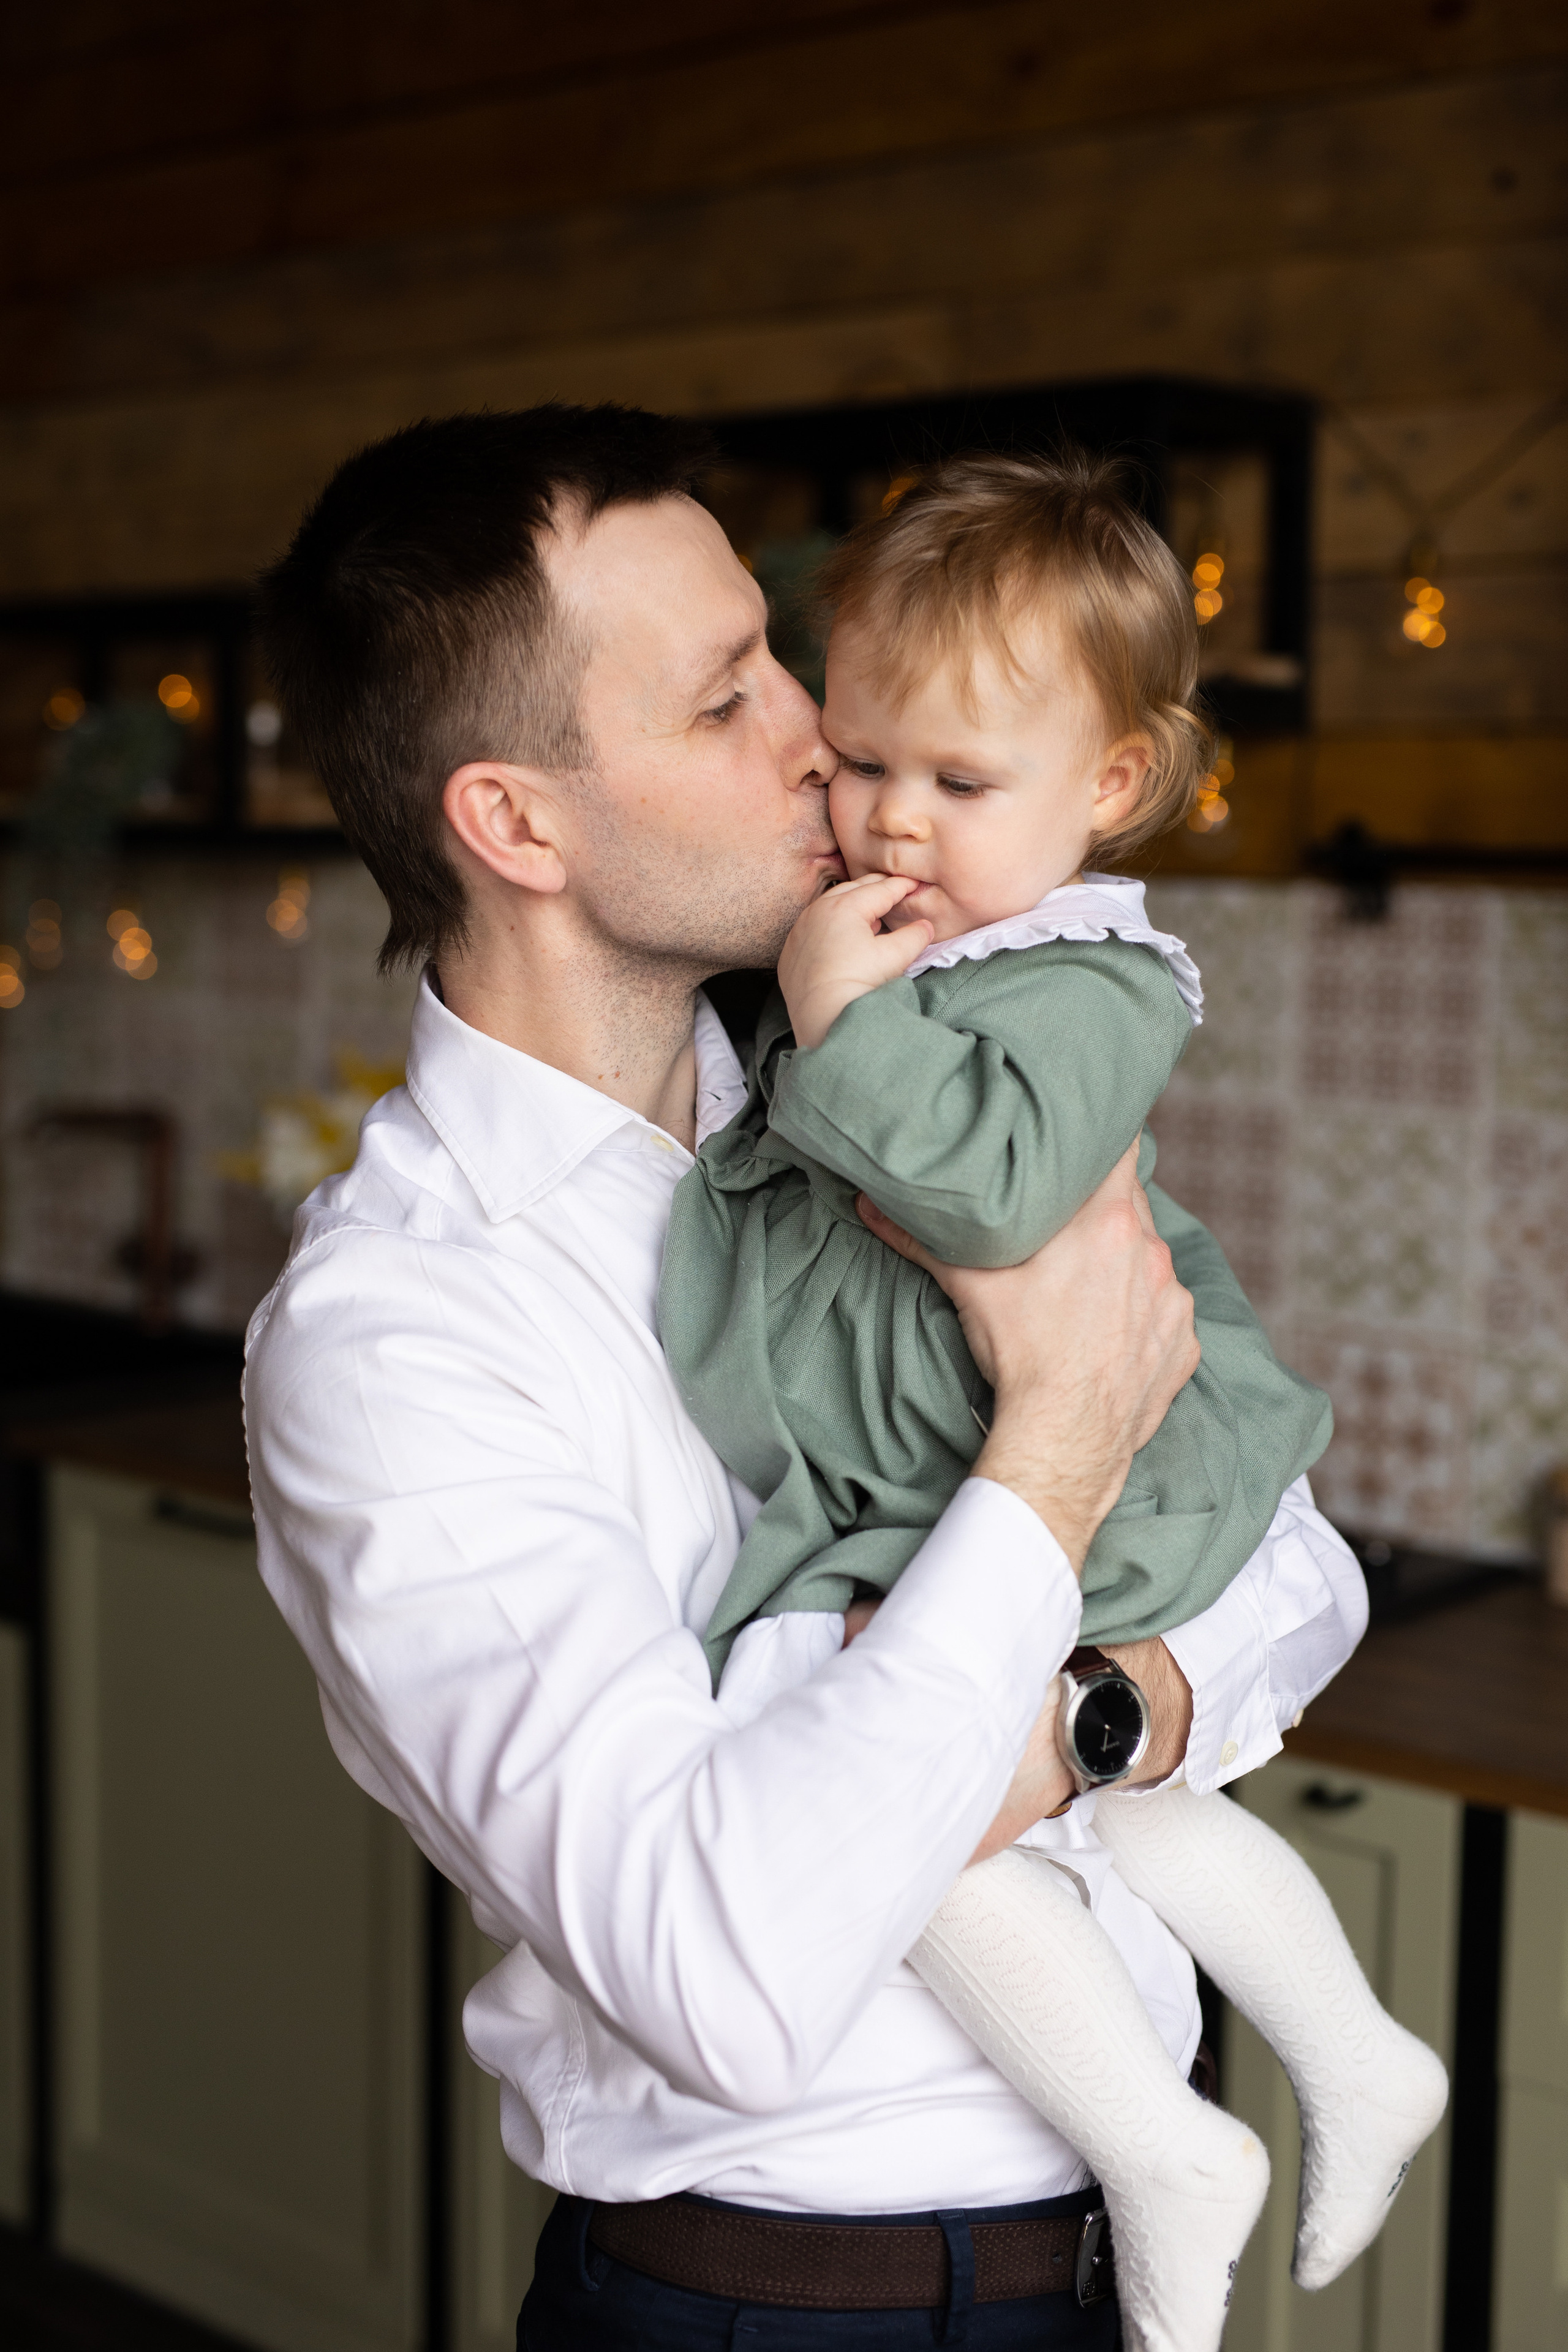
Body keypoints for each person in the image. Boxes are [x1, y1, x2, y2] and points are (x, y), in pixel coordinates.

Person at [244, 404, 1370, 2351]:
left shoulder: (904, 1067)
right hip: (770, 2310)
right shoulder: (399, 1337)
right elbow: (731, 1971)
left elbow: (1292, 1554)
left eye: (781, 654)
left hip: (1114, 2259)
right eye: (723, 700)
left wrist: (1095, 1714)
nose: (819, 737)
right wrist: (1055, 1454)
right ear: (516, 822)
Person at [659, 450, 1447, 2352]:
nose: (893, 821)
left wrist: (838, 1022)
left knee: (917, 1800)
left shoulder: (1093, 972)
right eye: (862, 763)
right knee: (1066, 1796)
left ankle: (1163, 2146)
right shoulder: (889, 937)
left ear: (1107, 790)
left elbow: (997, 1196)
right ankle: (1352, 2056)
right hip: (952, 1468)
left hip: (1117, 1455)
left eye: (960, 781)